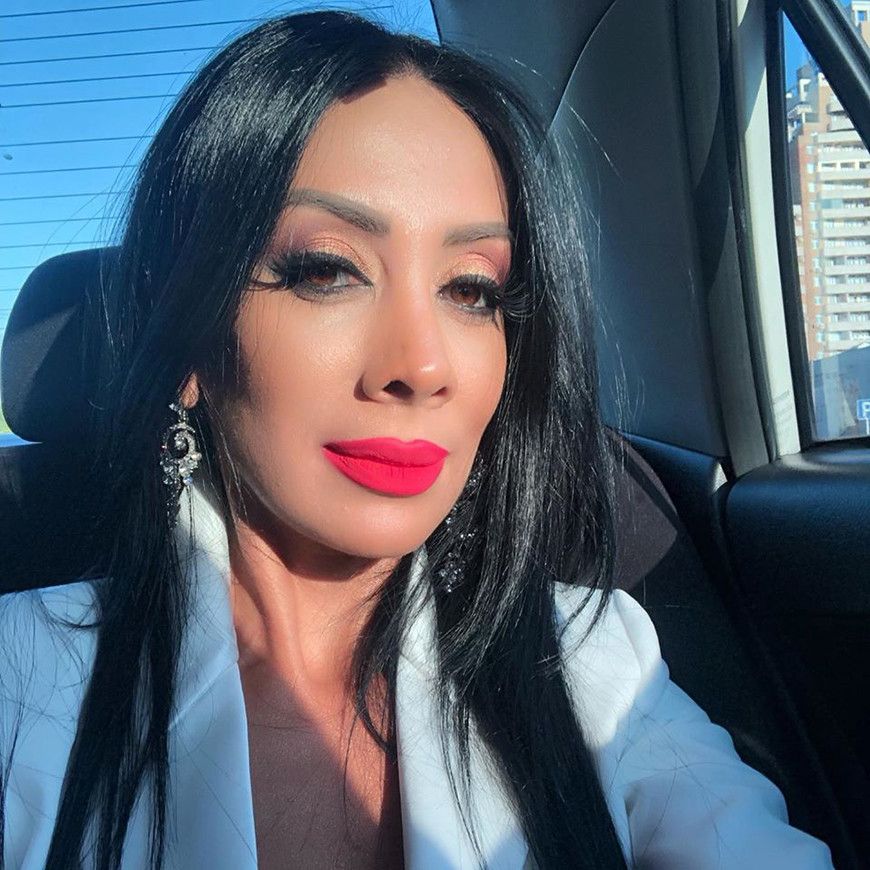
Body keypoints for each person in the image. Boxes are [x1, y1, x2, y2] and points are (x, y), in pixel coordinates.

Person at [0, 9, 836, 870]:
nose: (424, 366)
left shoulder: (594, 661)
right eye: (326, 270)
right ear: (188, 340)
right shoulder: (17, 686)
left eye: (472, 289)